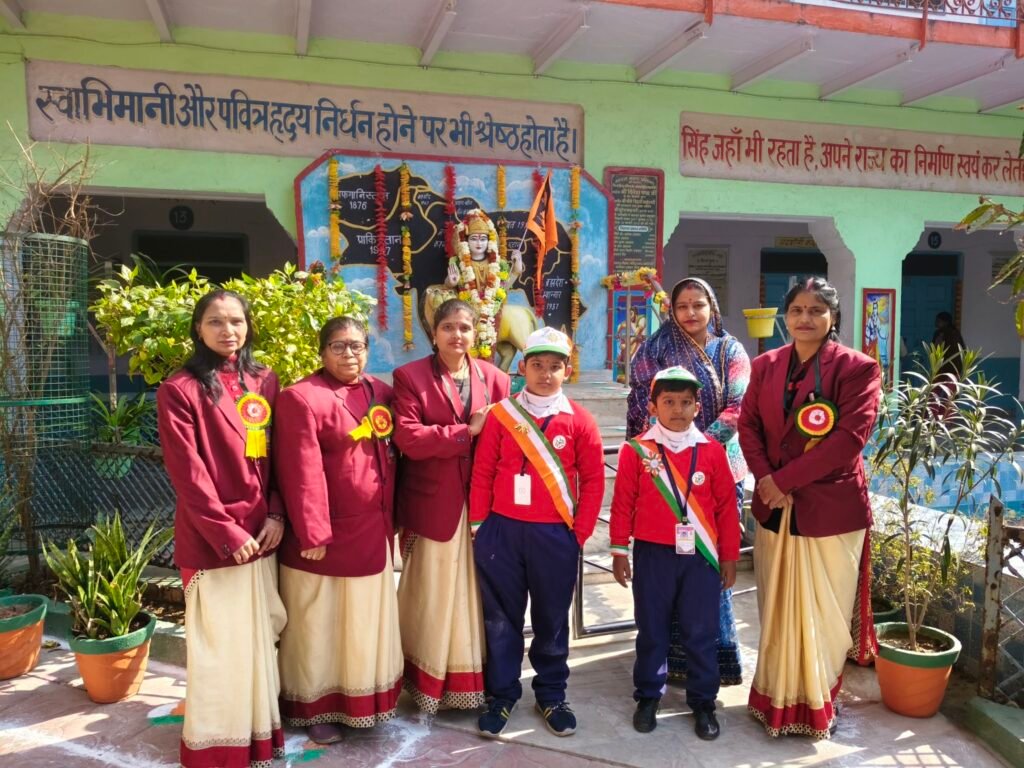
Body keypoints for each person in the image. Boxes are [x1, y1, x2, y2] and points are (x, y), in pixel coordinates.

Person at [738, 277, 881, 739]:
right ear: (786, 315)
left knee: (824, 615)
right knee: (778, 611)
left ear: (833, 317)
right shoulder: (765, 365)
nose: (805, 318)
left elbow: (848, 440)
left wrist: (782, 481)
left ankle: (818, 705)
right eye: (797, 309)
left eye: (816, 310)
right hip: (774, 509)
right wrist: (767, 479)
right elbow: (748, 426)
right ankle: (772, 700)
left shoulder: (857, 369)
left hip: (829, 510)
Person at [157, 290, 286, 768]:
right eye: (215, 321)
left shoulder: (264, 380)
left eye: (236, 321)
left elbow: (280, 457)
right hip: (215, 540)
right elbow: (188, 474)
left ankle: (260, 739)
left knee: (259, 640)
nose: (228, 330)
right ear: (198, 328)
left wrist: (276, 513)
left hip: (263, 532)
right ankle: (216, 749)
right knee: (221, 648)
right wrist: (227, 533)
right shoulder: (179, 390)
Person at [470, 327, 605, 738]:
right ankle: (502, 694)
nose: (546, 374)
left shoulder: (580, 420)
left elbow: (594, 481)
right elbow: (483, 470)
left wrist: (578, 534)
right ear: (523, 368)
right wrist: (479, 526)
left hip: (555, 535)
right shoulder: (501, 415)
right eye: (538, 365)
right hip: (502, 531)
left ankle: (551, 694)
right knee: (500, 619)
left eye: (555, 366)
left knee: (552, 619)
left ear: (567, 370)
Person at [273, 316, 403, 744]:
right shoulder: (301, 397)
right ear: (322, 351)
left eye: (357, 345)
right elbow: (300, 471)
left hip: (372, 531)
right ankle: (315, 708)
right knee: (318, 626)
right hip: (324, 540)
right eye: (338, 346)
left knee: (361, 624)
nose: (350, 354)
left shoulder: (380, 392)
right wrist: (313, 533)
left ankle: (361, 703)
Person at [627, 277, 750, 687]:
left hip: (718, 468)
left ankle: (715, 660)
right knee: (666, 571)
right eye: (682, 306)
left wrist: (696, 447)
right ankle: (665, 663)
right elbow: (640, 401)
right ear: (672, 310)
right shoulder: (656, 349)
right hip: (663, 473)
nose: (691, 313)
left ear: (712, 307)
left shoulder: (730, 351)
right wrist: (664, 451)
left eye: (698, 304)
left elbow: (738, 407)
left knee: (709, 567)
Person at [393, 298, 510, 714]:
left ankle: (475, 681)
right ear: (434, 332)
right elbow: (408, 438)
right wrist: (466, 432)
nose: (456, 335)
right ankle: (425, 682)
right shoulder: (409, 377)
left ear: (476, 332)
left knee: (478, 593)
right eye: (448, 327)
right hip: (432, 503)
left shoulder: (496, 379)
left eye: (464, 327)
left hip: (482, 504)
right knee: (433, 591)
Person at [611, 366, 740, 741]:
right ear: (653, 406)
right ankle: (648, 696)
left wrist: (729, 556)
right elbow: (622, 503)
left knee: (701, 630)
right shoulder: (637, 451)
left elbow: (725, 509)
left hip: (701, 557)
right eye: (668, 402)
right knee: (652, 628)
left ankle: (703, 702)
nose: (677, 410)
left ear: (698, 407)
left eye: (686, 402)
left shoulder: (712, 451)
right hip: (652, 554)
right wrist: (619, 551)